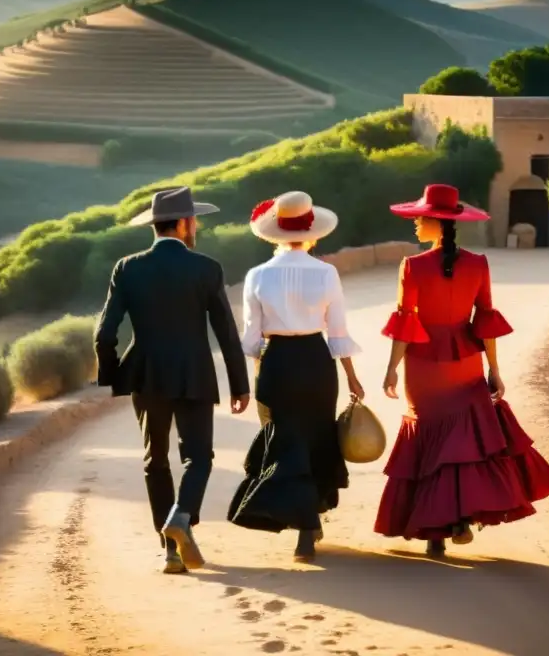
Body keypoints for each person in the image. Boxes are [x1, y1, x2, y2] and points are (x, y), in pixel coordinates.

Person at [373, 184, 549, 557]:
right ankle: (458, 519)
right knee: (460, 444)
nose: (415, 224)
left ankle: (436, 535)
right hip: (466, 364)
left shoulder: (411, 266)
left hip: (424, 368)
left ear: (434, 221)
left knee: (429, 440)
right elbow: (486, 321)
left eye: (420, 218)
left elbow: (405, 322)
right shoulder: (478, 264)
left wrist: (391, 368)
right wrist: (494, 369)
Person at [94, 186, 251, 575]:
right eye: (194, 219)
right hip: (194, 372)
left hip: (145, 374)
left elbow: (104, 334)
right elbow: (227, 333)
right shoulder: (207, 269)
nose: (195, 225)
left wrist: (114, 375)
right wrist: (239, 385)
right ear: (182, 224)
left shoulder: (127, 268)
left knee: (155, 460)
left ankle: (170, 552)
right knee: (199, 458)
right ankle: (181, 517)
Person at [227, 191, 364, 563]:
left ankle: (302, 523)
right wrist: (352, 377)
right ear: (312, 232)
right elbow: (337, 333)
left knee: (285, 442)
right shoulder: (326, 273)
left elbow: (251, 339)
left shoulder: (256, 275)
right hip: (317, 363)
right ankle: (308, 527)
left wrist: (261, 366)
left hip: (276, 365)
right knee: (316, 438)